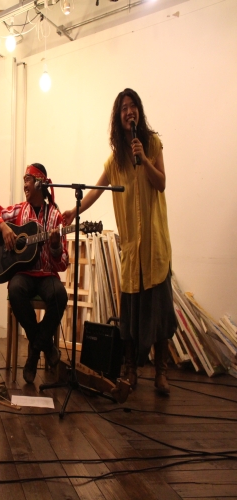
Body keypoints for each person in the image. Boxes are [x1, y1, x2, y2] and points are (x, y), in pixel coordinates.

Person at [63, 88, 177, 395]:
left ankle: (161, 372)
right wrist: (75, 210)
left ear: (139, 111)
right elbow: (96, 191)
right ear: (118, 117)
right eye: (124, 108)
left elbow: (161, 183)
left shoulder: (151, 143)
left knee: (160, 313)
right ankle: (130, 371)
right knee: (130, 315)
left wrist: (145, 160)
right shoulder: (115, 160)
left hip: (155, 246)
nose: (130, 111)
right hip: (132, 249)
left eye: (133, 106)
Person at [0, 163, 69, 384]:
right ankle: (46, 346)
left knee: (60, 296)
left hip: (47, 275)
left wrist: (55, 246)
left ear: (40, 184)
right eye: (24, 180)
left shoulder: (56, 217)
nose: (24, 184)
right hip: (23, 274)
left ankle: (33, 353)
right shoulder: (18, 210)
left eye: (28, 180)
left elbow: (63, 263)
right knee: (15, 290)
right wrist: (4, 227)